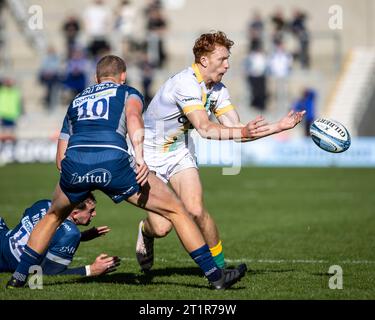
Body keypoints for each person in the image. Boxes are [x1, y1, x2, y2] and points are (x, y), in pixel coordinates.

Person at [7, 55, 252, 290]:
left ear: (96, 77)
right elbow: (134, 119)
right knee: (177, 210)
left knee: (52, 217)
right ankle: (216, 277)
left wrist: (80, 178)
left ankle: (18, 278)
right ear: (122, 76)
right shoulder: (128, 92)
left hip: (76, 164)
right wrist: (139, 155)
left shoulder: (77, 100)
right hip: (114, 162)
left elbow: (60, 158)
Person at [135, 31, 305, 272]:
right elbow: (205, 129)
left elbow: (237, 131)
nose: (227, 65)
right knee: (162, 228)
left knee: (195, 210)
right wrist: (244, 132)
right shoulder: (185, 84)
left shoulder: (218, 89)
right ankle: (145, 230)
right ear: (204, 60)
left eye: (228, 59)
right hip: (147, 158)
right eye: (222, 59)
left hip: (179, 152)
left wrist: (279, 126)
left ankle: (220, 269)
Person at [0, 193, 120, 277]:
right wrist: (91, 270)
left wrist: (83, 236)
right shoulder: (71, 233)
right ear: (75, 213)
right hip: (7, 261)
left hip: (4, 238)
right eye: (90, 211)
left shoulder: (43, 203)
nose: (94, 214)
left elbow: (40, 234)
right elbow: (49, 272)